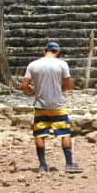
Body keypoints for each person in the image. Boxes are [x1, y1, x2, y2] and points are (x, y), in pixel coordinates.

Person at [21, 41, 83, 174]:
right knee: (64, 133)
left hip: (40, 106)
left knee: (40, 134)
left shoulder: (33, 65)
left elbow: (25, 86)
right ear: (57, 52)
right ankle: (69, 164)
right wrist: (57, 89)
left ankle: (43, 165)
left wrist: (32, 91)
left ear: (44, 51)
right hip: (57, 105)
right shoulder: (62, 64)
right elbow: (68, 85)